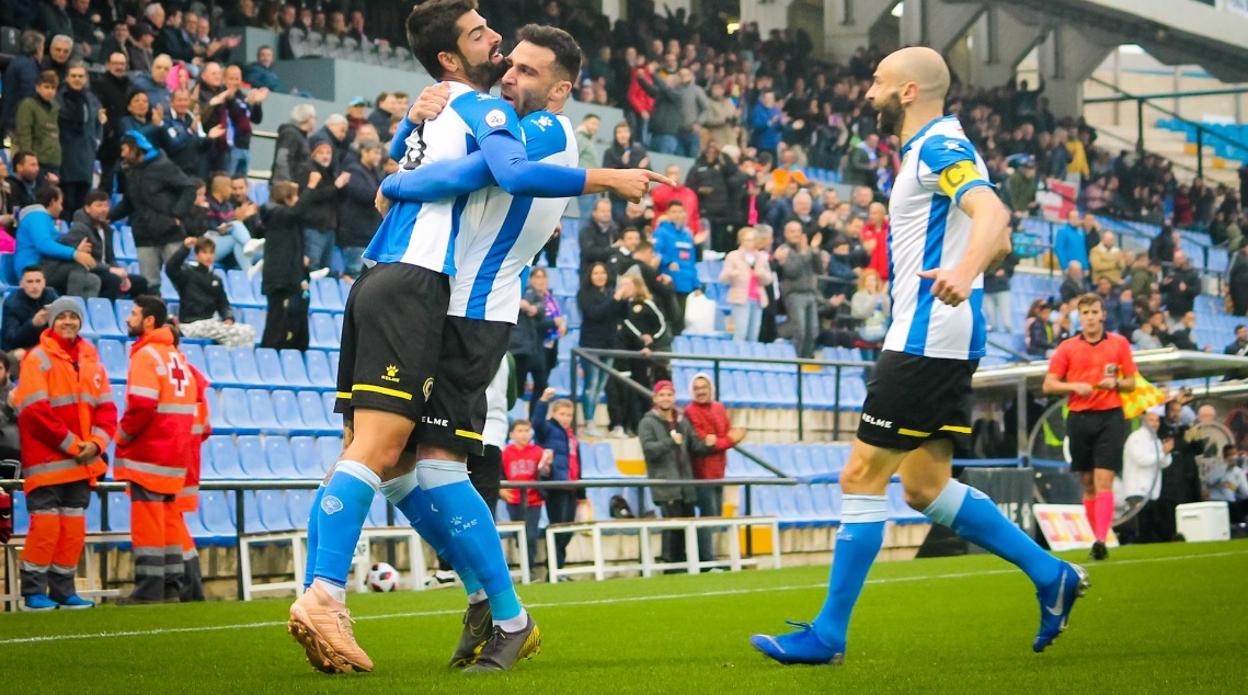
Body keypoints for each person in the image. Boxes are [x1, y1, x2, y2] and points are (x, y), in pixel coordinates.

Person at [290, 9, 661, 677]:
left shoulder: (543, 128)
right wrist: (411, 125)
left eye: (529, 70)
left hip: (470, 314)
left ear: (559, 90)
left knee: (428, 466)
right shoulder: (489, 114)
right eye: (509, 61)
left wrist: (395, 181)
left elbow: (458, 178)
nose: (511, 74)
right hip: (434, 298)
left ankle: (500, 610)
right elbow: (441, 157)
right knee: (397, 468)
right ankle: (474, 599)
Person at [753, 46, 1084, 666]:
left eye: (878, 82)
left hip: (928, 336)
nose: (868, 92)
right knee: (925, 486)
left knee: (861, 476)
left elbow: (994, 212)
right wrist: (969, 262)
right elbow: (999, 229)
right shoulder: (930, 150)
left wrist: (962, 267)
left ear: (908, 91)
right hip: (941, 332)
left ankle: (827, 634)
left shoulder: (937, 146)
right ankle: (1050, 574)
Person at [10, 297, 115, 611]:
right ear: (51, 321)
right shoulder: (36, 358)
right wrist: (75, 446)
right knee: (46, 526)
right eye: (62, 317)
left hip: (82, 461)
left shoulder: (91, 360)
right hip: (48, 461)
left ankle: (63, 591)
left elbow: (107, 410)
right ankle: (33, 593)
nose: (68, 321)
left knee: (72, 529)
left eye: (73, 316)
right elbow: (34, 413)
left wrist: (96, 444)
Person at [112, 296, 198, 604]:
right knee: (168, 521)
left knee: (148, 524)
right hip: (174, 454)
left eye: (134, 313)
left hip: (149, 453)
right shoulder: (176, 356)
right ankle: (172, 585)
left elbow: (141, 406)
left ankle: (149, 588)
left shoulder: (146, 355)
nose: (129, 318)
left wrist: (120, 437)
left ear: (149, 321)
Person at [1044, 293, 1137, 561]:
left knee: (1103, 479)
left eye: (1095, 312)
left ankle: (1100, 539)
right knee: (1087, 482)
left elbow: (1132, 381)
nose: (1091, 317)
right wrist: (1074, 386)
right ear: (1079, 317)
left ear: (1103, 314)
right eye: (1085, 313)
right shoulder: (1067, 348)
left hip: (1110, 416)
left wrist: (1116, 383)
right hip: (1079, 417)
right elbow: (1049, 384)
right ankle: (1097, 535)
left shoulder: (1119, 344)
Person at [110, 130, 198, 294]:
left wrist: (177, 215)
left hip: (169, 231)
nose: (122, 154)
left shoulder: (163, 166)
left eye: (124, 149)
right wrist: (107, 217)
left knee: (182, 278)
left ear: (135, 148)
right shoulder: (130, 172)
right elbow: (128, 203)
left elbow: (189, 188)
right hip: (144, 235)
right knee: (149, 285)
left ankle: (192, 316)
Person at [683, 373, 744, 564]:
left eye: (704, 388)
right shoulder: (690, 411)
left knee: (716, 515)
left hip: (720, 470)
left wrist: (720, 441)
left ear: (711, 389)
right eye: (697, 388)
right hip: (701, 473)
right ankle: (706, 559)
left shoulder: (719, 408)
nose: (701, 392)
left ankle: (710, 557)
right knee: (707, 516)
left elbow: (722, 436)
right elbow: (703, 442)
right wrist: (729, 440)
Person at [638, 380, 697, 564]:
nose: (666, 398)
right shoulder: (647, 422)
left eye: (669, 394)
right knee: (671, 528)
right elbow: (649, 450)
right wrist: (670, 442)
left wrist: (718, 442)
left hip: (685, 484)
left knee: (686, 527)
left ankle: (686, 565)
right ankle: (671, 565)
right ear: (655, 398)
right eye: (662, 395)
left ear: (674, 397)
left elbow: (694, 445)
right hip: (665, 483)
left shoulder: (682, 421)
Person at [256, 181, 320, 349]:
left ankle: (291, 347)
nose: (298, 200)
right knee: (277, 319)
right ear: (286, 197)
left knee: (293, 316)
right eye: (295, 195)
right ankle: (270, 351)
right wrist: (311, 186)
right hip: (279, 279)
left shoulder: (288, 219)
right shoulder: (275, 213)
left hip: (291, 277)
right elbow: (297, 212)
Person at [164, 236, 256, 347]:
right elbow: (170, 268)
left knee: (249, 331)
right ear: (197, 255)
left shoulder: (216, 279)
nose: (208, 256)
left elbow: (223, 303)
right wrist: (185, 248)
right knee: (224, 332)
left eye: (211, 252)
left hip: (211, 322)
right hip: (190, 324)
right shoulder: (186, 274)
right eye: (204, 252)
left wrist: (228, 317)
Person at [59, 190, 149, 300]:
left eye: (106, 205)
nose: (103, 209)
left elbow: (110, 258)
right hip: (89, 271)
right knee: (112, 280)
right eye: (99, 205)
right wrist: (110, 270)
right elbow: (85, 260)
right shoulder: (80, 229)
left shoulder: (107, 230)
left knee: (140, 282)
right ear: (87, 208)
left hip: (105, 270)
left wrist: (123, 274)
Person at [15, 184, 101, 298]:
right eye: (60, 203)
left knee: (93, 280)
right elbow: (44, 244)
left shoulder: (46, 220)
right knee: (78, 266)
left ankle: (83, 313)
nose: (61, 208)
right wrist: (74, 254)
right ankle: (70, 309)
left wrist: (76, 251)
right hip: (32, 268)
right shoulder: (37, 217)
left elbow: (55, 245)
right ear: (52, 202)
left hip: (48, 265)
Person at [577, 261, 631, 435]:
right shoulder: (584, 294)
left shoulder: (610, 292)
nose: (600, 276)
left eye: (602, 273)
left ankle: (591, 420)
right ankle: (588, 422)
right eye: (596, 273)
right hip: (591, 345)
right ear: (590, 276)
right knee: (591, 385)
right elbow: (595, 314)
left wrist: (625, 298)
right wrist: (615, 298)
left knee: (600, 387)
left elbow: (624, 315)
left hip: (609, 345)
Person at [531, 388, 581, 572]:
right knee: (558, 527)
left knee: (567, 529)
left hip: (572, 486)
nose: (566, 418)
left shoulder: (571, 436)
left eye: (569, 414)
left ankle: (558, 567)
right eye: (562, 414)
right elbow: (536, 423)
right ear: (553, 414)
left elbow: (577, 462)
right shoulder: (548, 429)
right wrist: (543, 400)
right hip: (556, 485)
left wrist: (581, 489)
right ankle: (554, 569)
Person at [501, 417, 549, 577]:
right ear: (512, 434)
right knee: (518, 534)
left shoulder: (538, 452)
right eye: (520, 431)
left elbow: (545, 474)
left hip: (534, 500)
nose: (524, 434)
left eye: (527, 430)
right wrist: (501, 491)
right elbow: (499, 475)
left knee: (531, 535)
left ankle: (529, 570)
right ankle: (524, 567)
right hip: (514, 500)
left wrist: (547, 466)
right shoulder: (505, 453)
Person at [55, 62, 104, 218]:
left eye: (81, 76)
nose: (77, 79)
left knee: (82, 207)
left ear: (86, 78)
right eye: (74, 76)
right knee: (66, 205)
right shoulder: (59, 99)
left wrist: (96, 141)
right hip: (66, 158)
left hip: (86, 159)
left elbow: (99, 123)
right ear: (67, 78)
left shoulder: (92, 99)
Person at [1121, 409, 1174, 543]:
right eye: (1151, 420)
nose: (1155, 424)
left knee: (1151, 527)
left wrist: (1166, 453)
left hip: (1152, 491)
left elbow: (1164, 463)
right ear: (1144, 421)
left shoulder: (1155, 440)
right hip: (1137, 489)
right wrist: (1162, 452)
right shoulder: (1136, 438)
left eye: (1157, 420)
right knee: (1141, 528)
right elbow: (1142, 460)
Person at [774, 219, 823, 359]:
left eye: (798, 231)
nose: (796, 234)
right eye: (792, 231)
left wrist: (813, 251)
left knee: (812, 330)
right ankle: (796, 360)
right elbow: (791, 271)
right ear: (786, 233)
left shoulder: (807, 249)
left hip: (810, 293)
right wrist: (803, 253)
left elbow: (819, 269)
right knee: (799, 330)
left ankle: (806, 358)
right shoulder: (784, 250)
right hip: (794, 294)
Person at [298, 136, 347, 273]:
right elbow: (311, 196)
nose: (325, 156)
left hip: (329, 227)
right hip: (314, 227)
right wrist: (336, 186)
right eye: (321, 152)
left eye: (328, 153)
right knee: (313, 267)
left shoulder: (331, 172)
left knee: (325, 270)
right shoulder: (308, 171)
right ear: (313, 154)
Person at [338, 141, 384, 277]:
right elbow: (363, 194)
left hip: (370, 235)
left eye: (380, 154)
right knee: (355, 273)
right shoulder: (354, 171)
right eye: (375, 153)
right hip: (355, 235)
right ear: (364, 152)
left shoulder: (376, 173)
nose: (378, 157)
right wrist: (381, 195)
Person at [720, 226, 772, 342]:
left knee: (753, 334)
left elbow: (768, 279)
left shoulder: (761, 257)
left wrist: (761, 274)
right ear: (741, 240)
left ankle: (751, 359)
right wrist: (733, 273)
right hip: (740, 298)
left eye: (753, 239)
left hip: (758, 299)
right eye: (747, 240)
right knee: (740, 333)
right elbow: (723, 278)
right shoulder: (733, 256)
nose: (750, 243)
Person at [654, 200, 699, 334]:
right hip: (670, 283)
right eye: (674, 212)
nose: (677, 215)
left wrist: (696, 285)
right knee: (670, 318)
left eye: (680, 211)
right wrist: (668, 262)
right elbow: (656, 252)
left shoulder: (687, 235)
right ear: (668, 214)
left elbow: (692, 261)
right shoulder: (661, 232)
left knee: (680, 322)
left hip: (685, 284)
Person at [2, 266, 59, 358]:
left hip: (47, 346)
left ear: (44, 282)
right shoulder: (12, 303)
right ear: (21, 284)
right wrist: (33, 324)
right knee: (16, 355)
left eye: (38, 281)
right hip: (23, 348)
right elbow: (11, 340)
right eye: (30, 282)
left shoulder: (50, 294)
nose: (34, 286)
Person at [16, 71, 62, 177]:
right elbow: (24, 132)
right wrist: (27, 157)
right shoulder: (28, 105)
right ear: (37, 87)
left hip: (54, 161)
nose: (50, 91)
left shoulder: (56, 107)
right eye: (46, 87)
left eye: (53, 87)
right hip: (36, 161)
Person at [271, 103, 317, 185]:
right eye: (314, 118)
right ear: (307, 118)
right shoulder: (290, 134)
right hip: (286, 187)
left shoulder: (302, 137)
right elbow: (282, 159)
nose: (315, 121)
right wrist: (285, 184)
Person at [578, 198, 620, 277]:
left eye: (608, 211)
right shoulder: (586, 230)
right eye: (603, 211)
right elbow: (589, 252)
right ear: (594, 213)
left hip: (609, 275)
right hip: (589, 276)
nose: (606, 214)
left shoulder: (614, 230)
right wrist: (613, 249)